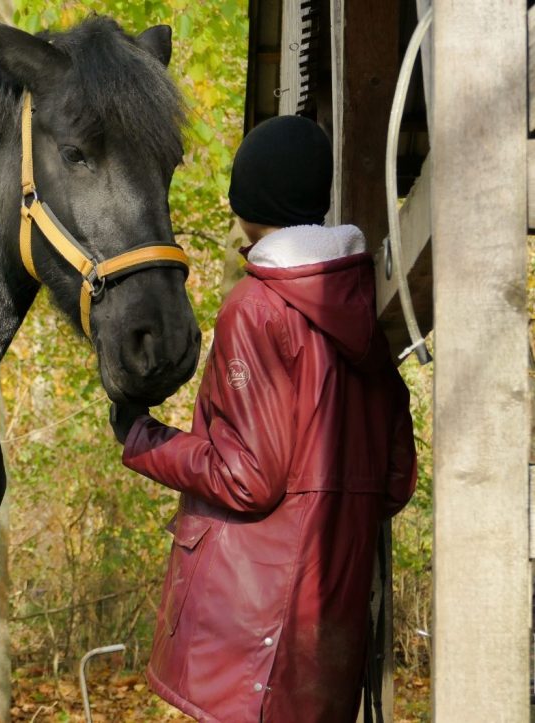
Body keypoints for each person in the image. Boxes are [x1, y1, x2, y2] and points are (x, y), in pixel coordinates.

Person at [109, 115, 417, 722]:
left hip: (250, 633)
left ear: (247, 201)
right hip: (328, 623)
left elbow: (247, 478)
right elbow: (396, 478)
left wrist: (141, 437)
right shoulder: (361, 308)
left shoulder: (255, 308)